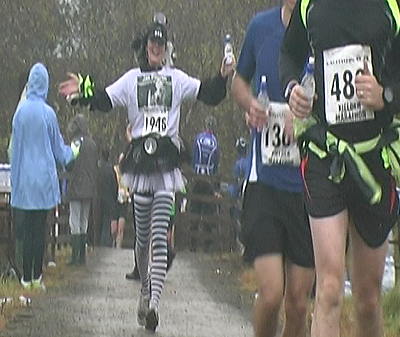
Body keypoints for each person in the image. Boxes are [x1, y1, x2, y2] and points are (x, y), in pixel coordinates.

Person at [58, 18, 235, 331]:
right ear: (145, 48)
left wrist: (222, 76)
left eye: (160, 44)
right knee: (141, 240)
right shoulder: (131, 79)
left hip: (166, 163)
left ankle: (154, 303)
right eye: (152, 44)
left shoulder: (176, 79)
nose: (156, 48)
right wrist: (82, 91)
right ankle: (144, 290)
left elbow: (207, 92)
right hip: (140, 163)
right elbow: (104, 97)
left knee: (158, 237)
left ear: (165, 49)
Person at [279, 0, 400, 336]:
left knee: (368, 298)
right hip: (326, 155)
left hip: (374, 157)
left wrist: (386, 95)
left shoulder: (391, 6)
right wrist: (292, 89)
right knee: (329, 289)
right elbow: (288, 54)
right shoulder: (310, 5)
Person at [231, 1, 315, 337]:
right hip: (264, 180)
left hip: (309, 187)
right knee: (270, 293)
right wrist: (250, 104)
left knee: (297, 303)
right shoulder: (261, 28)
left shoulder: (324, 28)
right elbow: (238, 80)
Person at [10, 62, 77, 290]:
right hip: (43, 181)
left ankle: (25, 277)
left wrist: (15, 182)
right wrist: (73, 151)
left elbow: (15, 151)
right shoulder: (48, 114)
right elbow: (59, 151)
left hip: (24, 182)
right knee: (40, 230)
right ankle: (37, 276)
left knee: (27, 231)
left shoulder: (19, 114)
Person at [66, 113, 98, 265]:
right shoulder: (92, 143)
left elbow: (70, 161)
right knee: (84, 221)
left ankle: (75, 256)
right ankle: (82, 257)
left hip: (76, 186)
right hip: (89, 187)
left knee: (75, 221)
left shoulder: (76, 142)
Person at [98, 148, 118, 247]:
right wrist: (114, 198)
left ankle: (95, 241)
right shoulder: (110, 169)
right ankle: (104, 242)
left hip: (97, 199)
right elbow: (115, 185)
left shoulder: (97, 166)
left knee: (98, 221)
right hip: (108, 199)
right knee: (106, 222)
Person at [111, 154, 131, 249]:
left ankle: (118, 248)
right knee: (113, 229)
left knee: (121, 227)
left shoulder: (128, 172)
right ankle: (114, 241)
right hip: (115, 201)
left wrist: (129, 194)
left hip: (124, 201)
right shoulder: (114, 170)